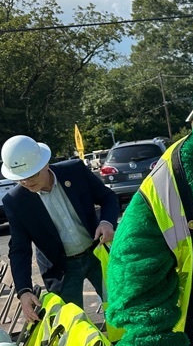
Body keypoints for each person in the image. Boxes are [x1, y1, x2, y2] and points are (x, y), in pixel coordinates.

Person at [1, 135, 119, 322]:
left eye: (32, 175)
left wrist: (107, 222)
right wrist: (23, 291)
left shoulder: (75, 171)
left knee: (120, 307)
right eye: (21, 179)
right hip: (61, 269)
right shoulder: (15, 202)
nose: (27, 182)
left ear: (45, 164)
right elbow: (19, 250)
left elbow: (108, 198)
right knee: (73, 326)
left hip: (98, 253)